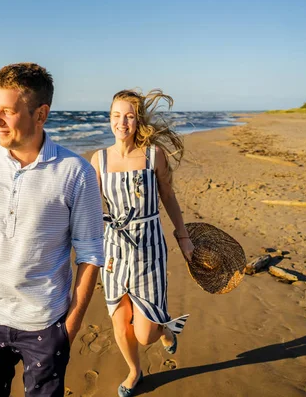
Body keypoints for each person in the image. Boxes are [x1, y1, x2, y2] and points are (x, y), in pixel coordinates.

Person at [0, 63, 105, 397]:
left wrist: (69, 328)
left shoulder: (75, 173)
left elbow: (91, 254)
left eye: (8, 111)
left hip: (45, 325)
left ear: (41, 114)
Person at [89, 89, 195, 397]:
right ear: (110, 119)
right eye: (116, 116)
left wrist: (184, 237)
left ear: (138, 121)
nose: (122, 123)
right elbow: (92, 209)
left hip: (149, 248)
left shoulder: (153, 155)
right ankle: (134, 372)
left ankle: (164, 328)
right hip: (113, 249)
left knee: (145, 334)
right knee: (120, 321)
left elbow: (169, 197)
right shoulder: (100, 159)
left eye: (130, 116)